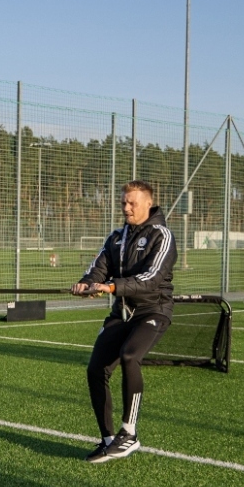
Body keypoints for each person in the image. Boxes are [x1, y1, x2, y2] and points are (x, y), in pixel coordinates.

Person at [70, 180, 177, 463]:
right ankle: (108, 440)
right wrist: (86, 284)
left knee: (130, 356)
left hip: (153, 311)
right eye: (123, 203)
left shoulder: (162, 236)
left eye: (132, 203)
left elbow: (150, 279)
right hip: (122, 313)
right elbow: (98, 268)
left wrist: (112, 287)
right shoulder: (116, 237)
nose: (126, 208)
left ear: (148, 204)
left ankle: (129, 433)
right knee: (96, 369)